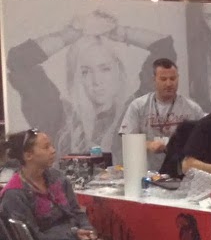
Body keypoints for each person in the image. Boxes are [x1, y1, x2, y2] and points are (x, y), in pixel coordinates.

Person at [5, 9, 173, 160]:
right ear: (75, 77)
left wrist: (118, 32)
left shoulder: (136, 110)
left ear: (119, 71)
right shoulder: (58, 116)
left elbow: (164, 48)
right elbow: (19, 61)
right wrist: (71, 34)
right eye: (85, 72)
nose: (97, 81)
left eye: (105, 69)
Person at [118, 58, 205, 172]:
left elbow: (204, 140)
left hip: (182, 174)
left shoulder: (193, 109)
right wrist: (149, 145)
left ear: (178, 78)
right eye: (163, 79)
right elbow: (128, 139)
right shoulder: (138, 106)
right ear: (154, 80)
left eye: (173, 78)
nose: (169, 84)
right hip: (147, 173)